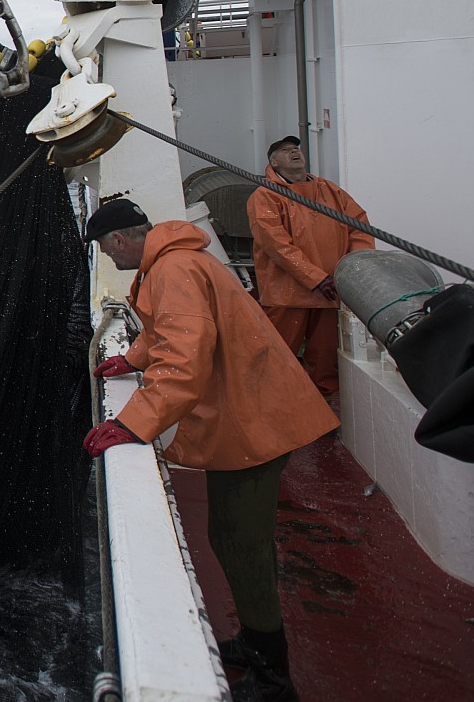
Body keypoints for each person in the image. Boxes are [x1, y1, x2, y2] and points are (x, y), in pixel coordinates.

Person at [81, 198, 338, 702]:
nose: (111, 262)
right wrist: (131, 360)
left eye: (108, 253)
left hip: (257, 423)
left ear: (118, 241)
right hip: (247, 419)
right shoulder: (176, 261)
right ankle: (255, 641)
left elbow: (185, 356)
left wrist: (133, 423)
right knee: (226, 533)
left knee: (244, 544)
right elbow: (163, 333)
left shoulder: (172, 270)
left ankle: (273, 675)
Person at [246, 136, 375, 397]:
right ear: (273, 162)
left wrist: (352, 271)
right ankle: (271, 411)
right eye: (285, 150)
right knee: (276, 358)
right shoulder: (265, 196)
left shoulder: (331, 191)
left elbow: (359, 226)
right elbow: (276, 245)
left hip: (330, 291)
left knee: (326, 362)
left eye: (296, 148)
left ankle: (324, 416)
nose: (294, 151)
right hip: (288, 296)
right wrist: (316, 278)